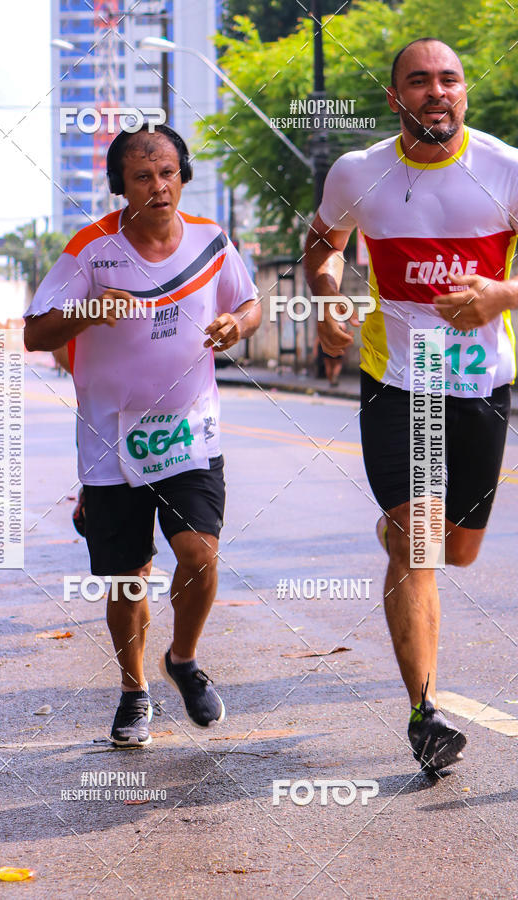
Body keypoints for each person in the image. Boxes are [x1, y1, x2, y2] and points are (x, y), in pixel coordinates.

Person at [304, 38, 518, 772]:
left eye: (449, 80)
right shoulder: (358, 173)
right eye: (419, 81)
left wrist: (501, 293)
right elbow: (322, 243)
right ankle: (426, 715)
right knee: (419, 540)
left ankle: (404, 526)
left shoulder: (506, 170)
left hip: (481, 383)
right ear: (395, 98)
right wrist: (329, 294)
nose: (437, 91)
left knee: (459, 548)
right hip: (399, 380)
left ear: (465, 93)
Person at [24, 123, 260, 748]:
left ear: (182, 175)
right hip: (111, 442)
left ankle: (181, 660)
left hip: (189, 433)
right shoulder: (91, 249)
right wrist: (90, 309)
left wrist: (237, 321)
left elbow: (252, 302)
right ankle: (134, 691)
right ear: (120, 187)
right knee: (129, 578)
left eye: (167, 173)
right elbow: (37, 333)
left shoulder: (212, 240)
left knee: (199, 555)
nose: (158, 187)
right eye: (142, 177)